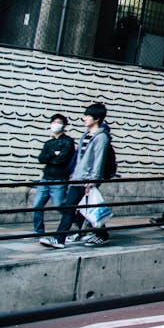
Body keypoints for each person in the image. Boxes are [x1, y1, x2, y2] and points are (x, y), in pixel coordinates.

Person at [48, 103, 113, 248]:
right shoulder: (85, 136)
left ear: (96, 119)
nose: (84, 118)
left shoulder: (101, 138)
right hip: (78, 178)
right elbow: (79, 160)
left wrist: (93, 180)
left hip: (87, 180)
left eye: (88, 116)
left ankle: (59, 239)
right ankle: (101, 234)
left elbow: (99, 160)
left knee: (72, 208)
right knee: (83, 208)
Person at [30, 113, 75, 242]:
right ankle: (38, 231)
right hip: (45, 178)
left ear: (64, 125)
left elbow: (62, 159)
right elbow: (41, 159)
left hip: (59, 179)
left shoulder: (68, 141)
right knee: (37, 205)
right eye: (53, 122)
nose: (55, 125)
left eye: (58, 122)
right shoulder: (49, 143)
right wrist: (53, 154)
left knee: (59, 205)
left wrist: (52, 157)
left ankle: (79, 221)